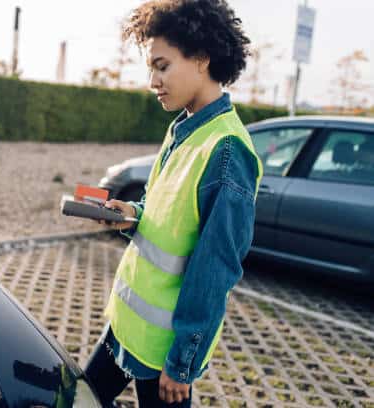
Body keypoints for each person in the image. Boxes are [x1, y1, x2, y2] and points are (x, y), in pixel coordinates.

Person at [84, 1, 263, 407]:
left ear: (201, 58)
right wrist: (131, 216)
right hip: (125, 328)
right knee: (79, 398)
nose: (152, 81)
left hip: (164, 352)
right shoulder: (183, 126)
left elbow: (216, 268)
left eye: (161, 66)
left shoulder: (227, 151)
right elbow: (162, 214)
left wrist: (183, 363)